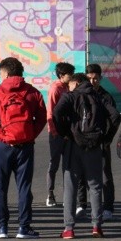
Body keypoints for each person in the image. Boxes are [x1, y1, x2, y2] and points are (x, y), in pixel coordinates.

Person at [0, 57, 47, 239]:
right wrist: (30, 134)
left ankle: (2, 227)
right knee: (24, 187)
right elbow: (42, 117)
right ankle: (24, 227)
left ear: (5, 73)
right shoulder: (32, 92)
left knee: (0, 188)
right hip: (25, 146)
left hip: (1, 146)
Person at [53, 73, 120, 239]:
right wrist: (105, 138)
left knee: (70, 186)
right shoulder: (98, 97)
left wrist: (64, 132)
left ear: (75, 83)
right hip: (94, 145)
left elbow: (56, 112)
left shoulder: (70, 96)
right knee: (95, 186)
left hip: (73, 144)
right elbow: (115, 116)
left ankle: (69, 228)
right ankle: (96, 225)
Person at [85, 63, 121, 221]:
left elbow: (115, 118)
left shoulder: (105, 97)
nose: (93, 81)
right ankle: (88, 205)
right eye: (90, 78)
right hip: (86, 143)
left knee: (105, 175)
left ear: (100, 78)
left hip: (101, 142)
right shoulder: (83, 95)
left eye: (95, 78)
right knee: (87, 176)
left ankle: (108, 207)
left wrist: (107, 138)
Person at [45, 62, 75, 208]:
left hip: (68, 133)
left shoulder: (69, 87)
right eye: (70, 74)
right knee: (54, 163)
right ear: (62, 75)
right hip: (57, 133)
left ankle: (67, 195)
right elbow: (50, 112)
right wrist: (55, 132)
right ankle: (50, 194)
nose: (72, 76)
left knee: (68, 165)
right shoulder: (55, 88)